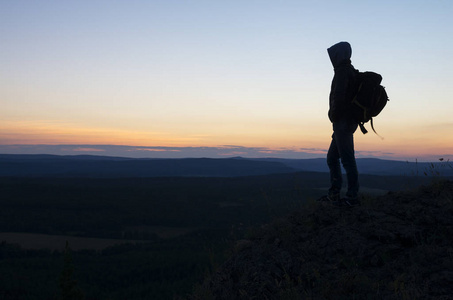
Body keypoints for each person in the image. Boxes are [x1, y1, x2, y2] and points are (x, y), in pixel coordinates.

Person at [319, 41, 360, 207]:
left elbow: (339, 97)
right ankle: (335, 193)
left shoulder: (342, 72)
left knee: (347, 160)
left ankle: (352, 197)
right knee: (332, 158)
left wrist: (333, 115)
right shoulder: (349, 71)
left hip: (342, 123)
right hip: (345, 123)